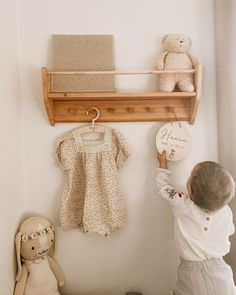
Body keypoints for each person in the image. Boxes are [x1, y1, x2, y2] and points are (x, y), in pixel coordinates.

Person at [156, 151, 236, 295]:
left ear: (190, 191)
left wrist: (163, 165)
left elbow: (163, 187)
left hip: (191, 273)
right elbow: (230, 230)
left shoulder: (183, 204)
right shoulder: (226, 211)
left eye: (191, 176)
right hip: (221, 270)